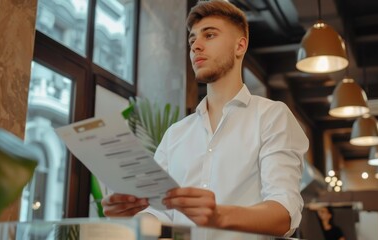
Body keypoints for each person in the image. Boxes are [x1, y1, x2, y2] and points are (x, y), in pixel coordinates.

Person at [101, 0, 308, 237]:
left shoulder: (272, 116)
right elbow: (161, 214)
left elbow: (285, 212)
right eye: (191, 40)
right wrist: (132, 217)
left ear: (240, 46)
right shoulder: (175, 134)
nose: (196, 46)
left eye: (209, 35)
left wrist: (218, 216)